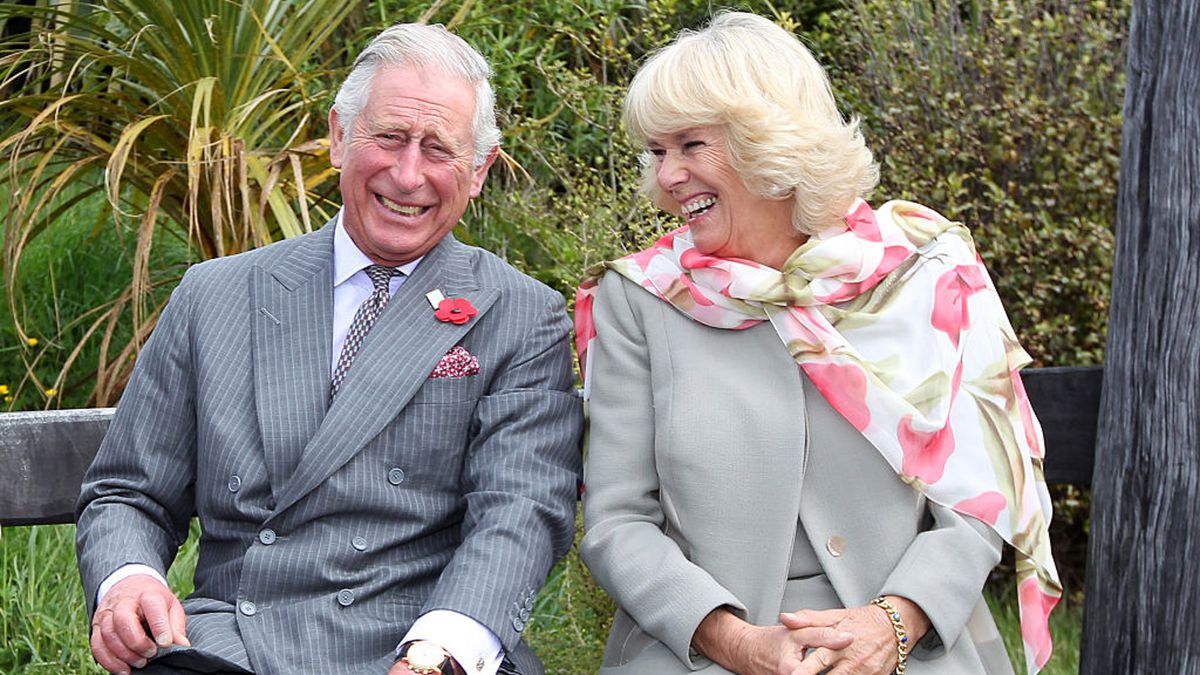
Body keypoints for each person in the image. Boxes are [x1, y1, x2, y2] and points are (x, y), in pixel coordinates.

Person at [76, 23, 583, 675]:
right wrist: (128, 578)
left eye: (438, 149)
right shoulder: (216, 294)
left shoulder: (520, 314)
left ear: (479, 169)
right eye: (391, 137)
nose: (408, 175)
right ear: (341, 136)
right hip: (234, 643)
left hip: (421, 643)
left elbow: (521, 511)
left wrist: (440, 652)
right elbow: (131, 491)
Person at [575, 12, 1060, 675]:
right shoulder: (638, 298)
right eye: (657, 152)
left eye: (690, 145)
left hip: (910, 643)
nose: (666, 178)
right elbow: (616, 520)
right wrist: (736, 642)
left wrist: (895, 620)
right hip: (697, 651)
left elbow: (982, 494)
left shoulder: (923, 271)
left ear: (765, 141)